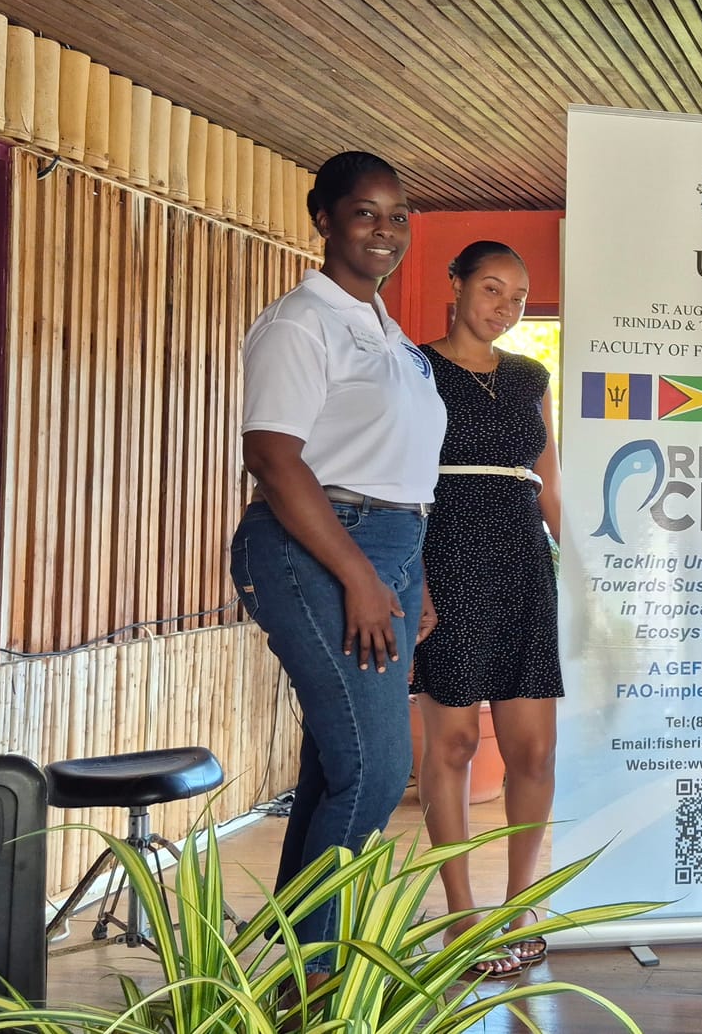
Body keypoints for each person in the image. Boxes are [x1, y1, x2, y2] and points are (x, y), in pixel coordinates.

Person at [230, 151, 446, 982]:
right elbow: (274, 458)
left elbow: (401, 467)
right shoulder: (301, 323)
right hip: (316, 547)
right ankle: (314, 980)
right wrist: (359, 575)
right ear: (323, 219)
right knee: (377, 769)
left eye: (397, 216)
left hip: (389, 546)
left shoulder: (388, 332)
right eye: (365, 213)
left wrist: (412, 577)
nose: (385, 230)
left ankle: (296, 965)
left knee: (337, 763)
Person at [409, 240, 563, 979]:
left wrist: (589, 575)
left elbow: (550, 483)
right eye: (493, 288)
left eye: (520, 297)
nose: (506, 307)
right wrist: (413, 581)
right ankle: (462, 914)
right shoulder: (413, 368)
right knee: (455, 744)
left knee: (533, 749)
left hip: (524, 565)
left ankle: (520, 904)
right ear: (456, 283)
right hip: (445, 559)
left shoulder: (532, 376)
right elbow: (397, 481)